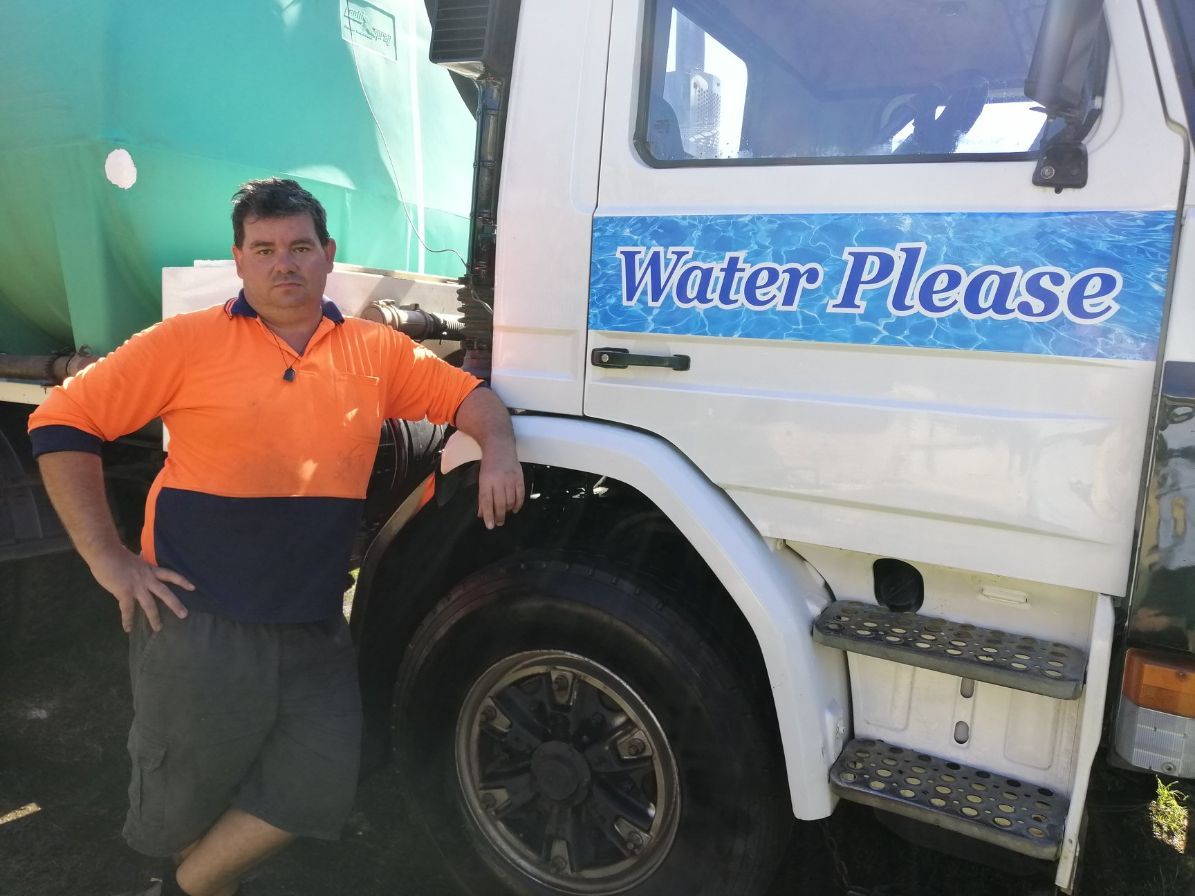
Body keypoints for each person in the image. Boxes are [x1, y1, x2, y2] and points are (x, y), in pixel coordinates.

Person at [27, 178, 524, 896]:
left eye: (298, 247)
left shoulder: (373, 351)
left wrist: (498, 449)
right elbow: (62, 422)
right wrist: (108, 558)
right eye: (264, 250)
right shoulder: (184, 342)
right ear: (238, 259)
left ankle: (191, 885)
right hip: (197, 622)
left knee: (318, 786)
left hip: (313, 625)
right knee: (182, 797)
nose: (282, 264)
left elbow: (467, 397)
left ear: (327, 255)